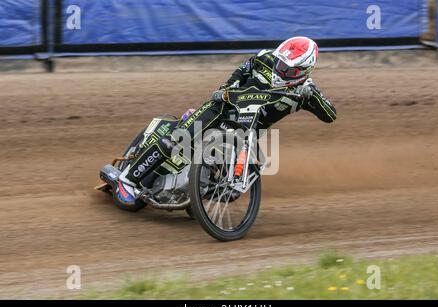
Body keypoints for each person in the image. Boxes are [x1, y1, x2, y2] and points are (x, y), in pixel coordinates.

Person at [115, 36, 337, 205]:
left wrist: (312, 95)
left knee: (233, 191)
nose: (282, 69)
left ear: (304, 71)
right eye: (280, 64)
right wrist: (226, 88)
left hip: (248, 131)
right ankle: (127, 180)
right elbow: (243, 69)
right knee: (177, 139)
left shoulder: (307, 90)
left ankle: (195, 198)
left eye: (289, 69)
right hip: (222, 108)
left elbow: (330, 116)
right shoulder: (265, 58)